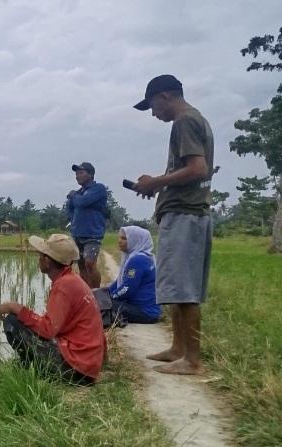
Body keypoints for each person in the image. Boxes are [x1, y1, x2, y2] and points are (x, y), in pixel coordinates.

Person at [133, 74, 214, 375]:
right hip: (182, 211)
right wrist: (158, 185)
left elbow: (198, 168)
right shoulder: (193, 120)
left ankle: (191, 359)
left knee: (184, 288)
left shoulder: (185, 121)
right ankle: (178, 348)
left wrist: (156, 182)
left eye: (153, 106)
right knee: (176, 286)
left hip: (186, 213)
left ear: (165, 97)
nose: (154, 113)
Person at [0, 234, 106, 384]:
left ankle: (31, 367)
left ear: (47, 260)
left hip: (76, 369)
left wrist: (16, 308)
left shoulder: (64, 285)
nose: (39, 259)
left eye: (41, 255)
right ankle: (31, 366)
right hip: (86, 365)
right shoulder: (71, 280)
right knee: (27, 324)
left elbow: (48, 329)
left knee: (12, 322)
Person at [104, 226, 161, 324]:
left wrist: (108, 298)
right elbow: (119, 282)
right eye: (120, 237)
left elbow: (127, 289)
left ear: (135, 240)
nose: (119, 241)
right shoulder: (142, 257)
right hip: (149, 311)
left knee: (100, 304)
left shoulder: (137, 260)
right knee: (100, 299)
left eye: (124, 238)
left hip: (144, 312)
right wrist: (104, 293)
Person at [66, 162, 108, 288]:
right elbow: (69, 207)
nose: (77, 176)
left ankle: (95, 292)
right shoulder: (79, 192)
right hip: (77, 233)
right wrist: (73, 220)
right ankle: (86, 292)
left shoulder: (98, 189)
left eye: (81, 173)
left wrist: (74, 195)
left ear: (90, 174)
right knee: (82, 265)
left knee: (90, 263)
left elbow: (83, 202)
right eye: (76, 174)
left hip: (92, 234)